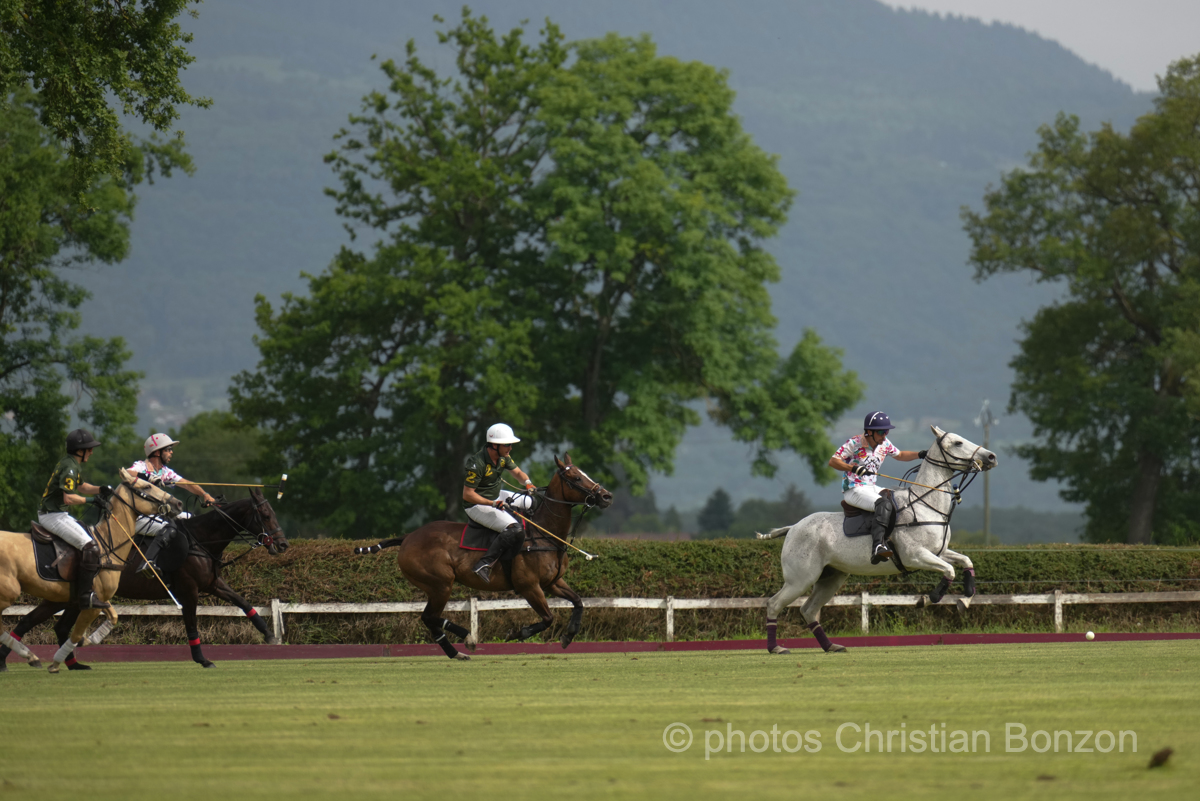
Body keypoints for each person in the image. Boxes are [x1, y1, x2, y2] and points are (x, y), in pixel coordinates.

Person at [828, 411, 926, 564]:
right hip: (854, 489)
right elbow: (833, 461)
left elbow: (900, 455)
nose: (884, 436)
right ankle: (878, 546)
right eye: (881, 432)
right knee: (883, 504)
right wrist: (853, 468)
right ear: (869, 431)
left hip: (871, 487)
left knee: (898, 500)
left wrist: (920, 454)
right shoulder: (854, 443)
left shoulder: (884, 444)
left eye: (886, 431)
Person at [37, 429, 110, 608]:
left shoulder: (71, 463)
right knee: (90, 546)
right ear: (80, 450)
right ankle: (85, 595)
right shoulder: (69, 467)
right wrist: (92, 500)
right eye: (89, 449)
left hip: (57, 513)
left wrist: (101, 489)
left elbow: (82, 487)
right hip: (52, 516)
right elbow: (68, 498)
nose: (91, 452)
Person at [129, 433, 216, 577]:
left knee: (190, 519)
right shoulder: (141, 466)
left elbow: (186, 484)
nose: (171, 452)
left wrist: (204, 494)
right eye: (168, 449)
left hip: (156, 515)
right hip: (137, 517)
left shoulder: (165, 472)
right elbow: (127, 473)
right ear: (157, 452)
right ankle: (147, 562)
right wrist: (149, 477)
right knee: (168, 528)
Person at [463, 423, 538, 582]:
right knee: (515, 529)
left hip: (497, 496)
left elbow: (517, 473)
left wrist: (528, 483)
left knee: (531, 502)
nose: (510, 447)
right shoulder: (477, 464)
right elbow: (468, 495)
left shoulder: (503, 457)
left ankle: (531, 542)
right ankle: (484, 564)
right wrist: (492, 503)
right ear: (494, 445)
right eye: (507, 444)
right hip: (477, 505)